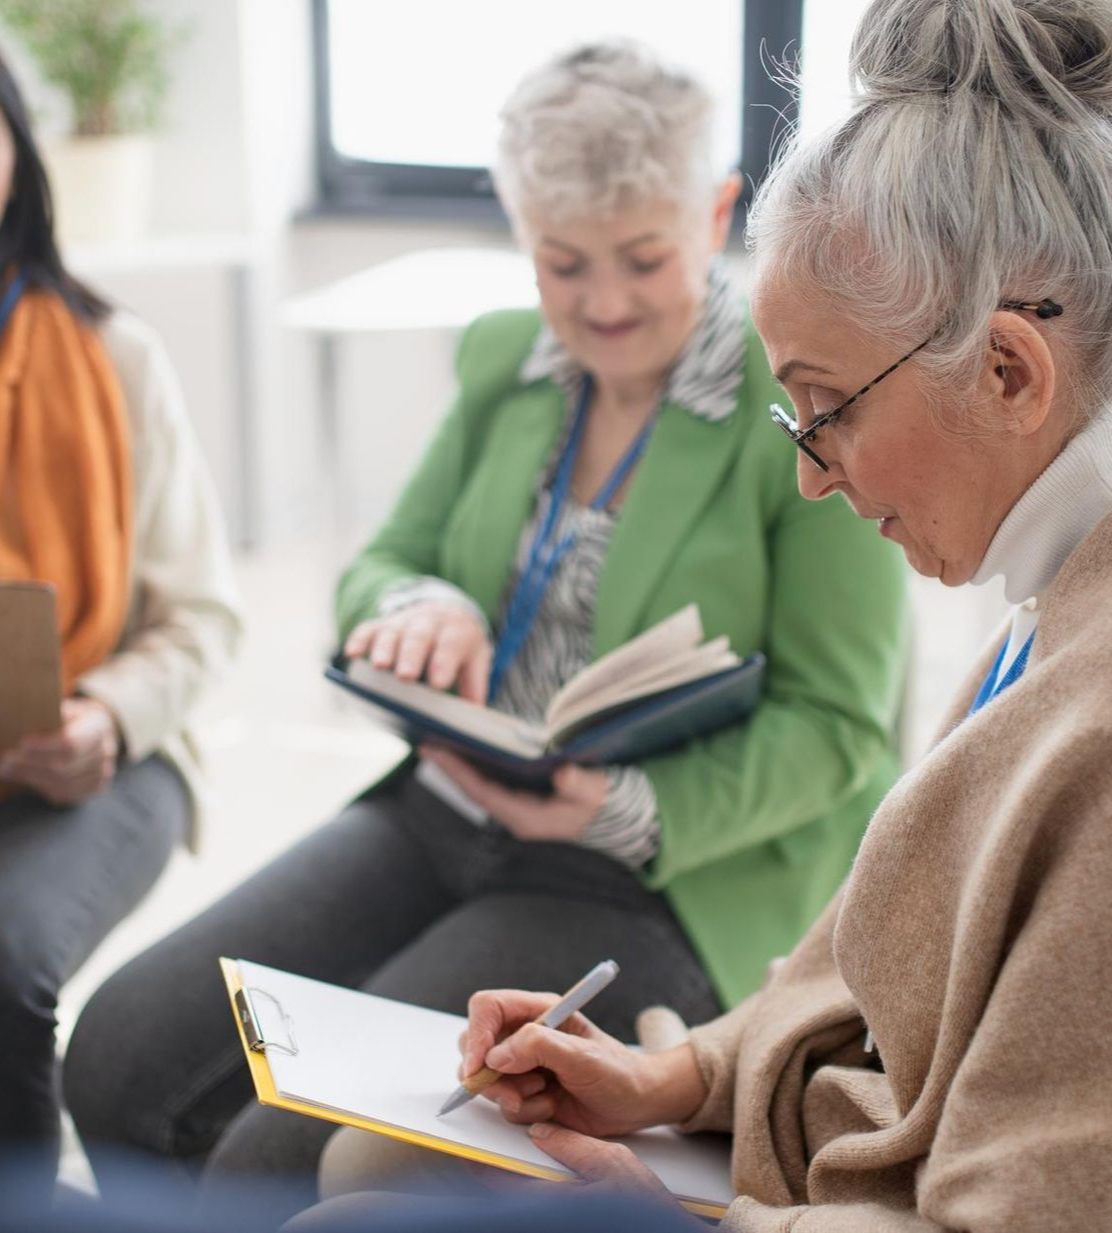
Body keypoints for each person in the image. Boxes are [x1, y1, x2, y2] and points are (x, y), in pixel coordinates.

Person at [313, 1, 1112, 1228]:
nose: (810, 472)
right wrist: (671, 1076)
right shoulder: (1041, 598)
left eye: (826, 408)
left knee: (355, 1189)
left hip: (696, 928)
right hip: (769, 1073)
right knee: (353, 1155)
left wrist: (669, 1212)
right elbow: (886, 969)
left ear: (1008, 371)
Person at [63, 40, 907, 1201]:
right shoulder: (507, 357)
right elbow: (386, 563)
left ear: (717, 214)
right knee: (116, 1054)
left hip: (651, 879)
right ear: (521, 238)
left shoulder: (794, 405)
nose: (601, 304)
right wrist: (424, 603)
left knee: (282, 1151)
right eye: (563, 264)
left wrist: (609, 806)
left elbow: (842, 729)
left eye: (643, 258)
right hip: (451, 806)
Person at [0, 10, 241, 1227]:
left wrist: (106, 716)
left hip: (87, 765)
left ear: (16, 160)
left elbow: (201, 620)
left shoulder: (112, 358)